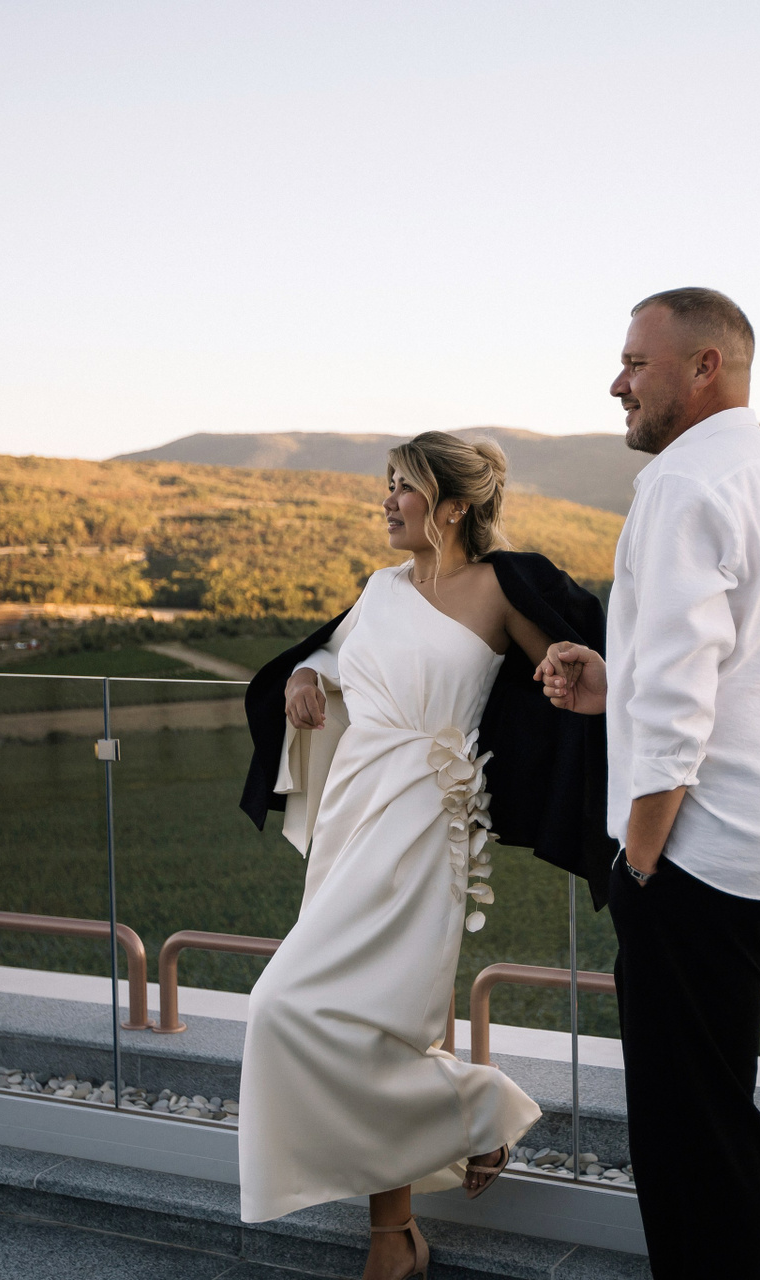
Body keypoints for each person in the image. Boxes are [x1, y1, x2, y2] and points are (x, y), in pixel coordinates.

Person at [235, 431, 613, 1280]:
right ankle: (403, 1222)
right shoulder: (380, 588)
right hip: (352, 813)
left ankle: (470, 1119)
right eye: (388, 484)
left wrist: (560, 668)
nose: (387, 501)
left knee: (301, 1009)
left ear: (453, 506)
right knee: (350, 1019)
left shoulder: (503, 586)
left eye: (403, 486)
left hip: (426, 823)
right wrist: (307, 675)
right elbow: (337, 653)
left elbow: (568, 667)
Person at [537, 288, 760, 1279]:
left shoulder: (682, 483)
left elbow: (679, 709)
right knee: (712, 1109)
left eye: (638, 362)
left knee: (686, 1135)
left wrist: (637, 863)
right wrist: (613, 683)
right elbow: (734, 663)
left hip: (704, 854)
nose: (617, 382)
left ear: (705, 366)